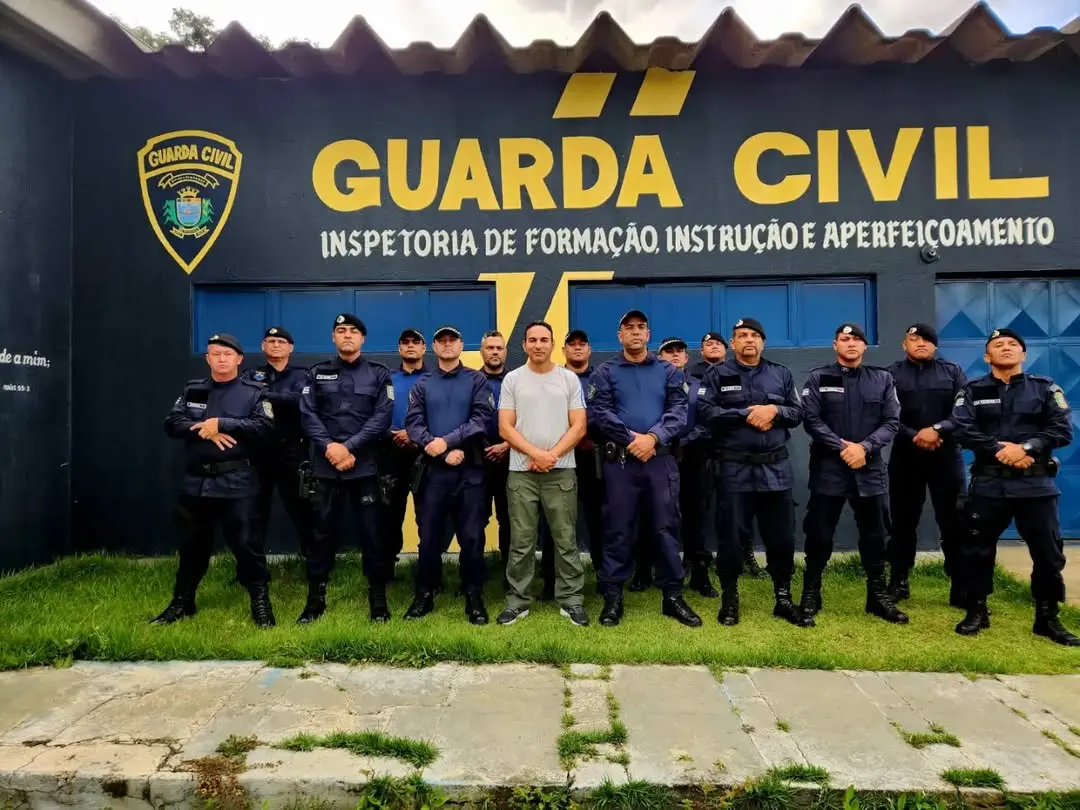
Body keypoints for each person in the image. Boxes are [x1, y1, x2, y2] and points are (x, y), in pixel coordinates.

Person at [951, 328, 1078, 645]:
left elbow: (1061, 430)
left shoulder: (1045, 389)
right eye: (998, 345)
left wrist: (1027, 448)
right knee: (977, 550)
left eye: (1012, 345)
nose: (1006, 348)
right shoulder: (972, 390)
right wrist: (1000, 450)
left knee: (1048, 554)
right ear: (987, 356)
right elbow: (962, 429)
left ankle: (1047, 618)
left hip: (1035, 485)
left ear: (1023, 354)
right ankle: (977, 611)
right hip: (989, 484)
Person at [588, 309, 702, 628]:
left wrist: (653, 438)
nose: (635, 332)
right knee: (618, 528)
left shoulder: (668, 371)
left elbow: (678, 412)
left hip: (660, 461)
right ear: (620, 335)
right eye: (629, 328)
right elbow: (601, 412)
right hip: (621, 463)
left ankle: (673, 596)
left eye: (641, 328)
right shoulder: (606, 372)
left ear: (648, 336)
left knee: (665, 528)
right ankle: (613, 597)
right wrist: (630, 438)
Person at [154, 334, 276, 627]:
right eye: (214, 354)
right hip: (197, 484)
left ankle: (260, 603)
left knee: (247, 547)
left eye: (226, 354)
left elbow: (264, 426)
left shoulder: (255, 392)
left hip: (238, 481)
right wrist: (203, 429)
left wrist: (222, 423)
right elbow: (172, 423)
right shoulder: (194, 390)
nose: (221, 359)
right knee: (192, 546)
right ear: (207, 359)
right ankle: (183, 602)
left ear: (238, 359)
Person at [697, 319, 807, 627]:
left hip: (776, 469)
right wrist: (746, 414)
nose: (749, 340)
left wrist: (774, 411)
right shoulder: (716, 374)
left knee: (782, 538)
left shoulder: (781, 374)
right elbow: (705, 412)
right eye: (742, 336)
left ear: (763, 342)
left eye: (755, 336)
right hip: (735, 468)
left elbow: (798, 412)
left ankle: (783, 599)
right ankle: (729, 599)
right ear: (733, 343)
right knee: (731, 538)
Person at [799, 322, 907, 625]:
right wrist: (842, 447)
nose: (851, 344)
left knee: (875, 536)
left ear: (864, 346)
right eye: (845, 339)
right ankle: (811, 592)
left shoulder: (882, 379)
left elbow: (891, 422)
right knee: (819, 534)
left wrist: (865, 448)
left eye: (857, 339)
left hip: (869, 469)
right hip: (829, 469)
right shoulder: (819, 377)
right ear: (835, 345)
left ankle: (877, 596)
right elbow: (810, 419)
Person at [298, 313, 393, 624]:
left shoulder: (379, 375)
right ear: (333, 338)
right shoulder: (317, 373)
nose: (347, 336)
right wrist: (330, 447)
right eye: (341, 331)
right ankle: (315, 601)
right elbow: (308, 415)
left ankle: (378, 601)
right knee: (321, 534)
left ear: (362, 339)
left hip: (363, 467)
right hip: (326, 468)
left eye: (353, 331)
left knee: (372, 535)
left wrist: (347, 447)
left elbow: (382, 417)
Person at [496, 321, 589, 626]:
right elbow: (505, 427)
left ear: (552, 345)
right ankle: (517, 601)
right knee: (521, 540)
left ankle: (572, 600)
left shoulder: (568, 379)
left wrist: (552, 456)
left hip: (561, 472)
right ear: (524, 345)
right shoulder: (512, 380)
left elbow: (579, 426)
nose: (538, 345)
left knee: (565, 539)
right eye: (532, 340)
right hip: (521, 473)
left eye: (544, 340)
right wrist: (536, 455)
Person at [404, 325, 493, 624]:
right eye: (441, 340)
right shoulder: (423, 383)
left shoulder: (477, 380)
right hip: (433, 473)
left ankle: (474, 598)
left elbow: (481, 419)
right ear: (434, 346)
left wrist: (450, 441)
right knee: (429, 537)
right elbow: (414, 425)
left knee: (472, 537)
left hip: (470, 471)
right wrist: (441, 450)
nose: (446, 344)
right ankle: (424, 596)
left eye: (452, 340)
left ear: (461, 344)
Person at [885, 323, 966, 604]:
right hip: (906, 457)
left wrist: (938, 429)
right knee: (903, 522)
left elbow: (963, 412)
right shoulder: (891, 374)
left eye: (927, 340)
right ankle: (899, 580)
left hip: (945, 456)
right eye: (914, 339)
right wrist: (916, 435)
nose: (921, 343)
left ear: (935, 345)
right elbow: (888, 415)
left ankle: (960, 584)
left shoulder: (952, 372)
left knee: (954, 521)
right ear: (904, 344)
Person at [691, 331, 763, 578]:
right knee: (699, 509)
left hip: (735, 453)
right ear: (701, 352)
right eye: (707, 343)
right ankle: (697, 561)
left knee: (744, 509)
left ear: (728, 348)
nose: (713, 346)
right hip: (702, 453)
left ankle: (746, 555)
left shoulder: (745, 373)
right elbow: (702, 412)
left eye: (717, 343)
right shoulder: (693, 375)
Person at [241, 326, 313, 558]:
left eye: (281, 342)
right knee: (254, 512)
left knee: (302, 509)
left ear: (290, 348)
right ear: (263, 346)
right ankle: (253, 567)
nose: (276, 345)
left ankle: (313, 563)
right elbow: (243, 402)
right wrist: (278, 399)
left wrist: (264, 395)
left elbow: (301, 403)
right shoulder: (251, 375)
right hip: (258, 453)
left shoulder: (303, 376)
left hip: (292, 452)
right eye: (271, 341)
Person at [656, 336, 717, 597]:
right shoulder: (652, 386)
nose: (675, 355)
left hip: (693, 459)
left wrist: (686, 442)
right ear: (659, 357)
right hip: (659, 457)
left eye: (679, 351)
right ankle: (655, 570)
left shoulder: (699, 386)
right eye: (668, 351)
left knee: (695, 518)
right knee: (659, 517)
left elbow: (708, 420)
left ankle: (699, 574)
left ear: (686, 357)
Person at [381, 328, 429, 579]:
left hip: (425, 453)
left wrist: (414, 434)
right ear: (399, 348)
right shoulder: (386, 379)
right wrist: (394, 433)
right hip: (392, 453)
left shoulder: (434, 378)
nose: (410, 346)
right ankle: (386, 572)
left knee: (428, 515)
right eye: (405, 342)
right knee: (390, 515)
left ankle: (428, 573)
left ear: (424, 348)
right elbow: (376, 414)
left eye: (416, 342)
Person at [562, 329, 600, 583]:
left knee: (598, 517)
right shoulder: (553, 378)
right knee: (558, 520)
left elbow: (604, 412)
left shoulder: (601, 378)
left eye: (582, 344)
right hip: (561, 457)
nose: (577, 348)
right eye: (571, 344)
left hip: (592, 457)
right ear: (563, 350)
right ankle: (554, 577)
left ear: (589, 350)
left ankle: (602, 572)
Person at [479, 330, 512, 586]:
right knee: (475, 520)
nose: (494, 352)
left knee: (509, 520)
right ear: (482, 351)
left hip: (511, 459)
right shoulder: (470, 381)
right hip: (477, 461)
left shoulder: (516, 381)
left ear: (505, 352)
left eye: (499, 348)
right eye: (490, 348)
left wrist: (506, 445)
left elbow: (526, 420)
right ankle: (474, 574)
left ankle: (509, 576)